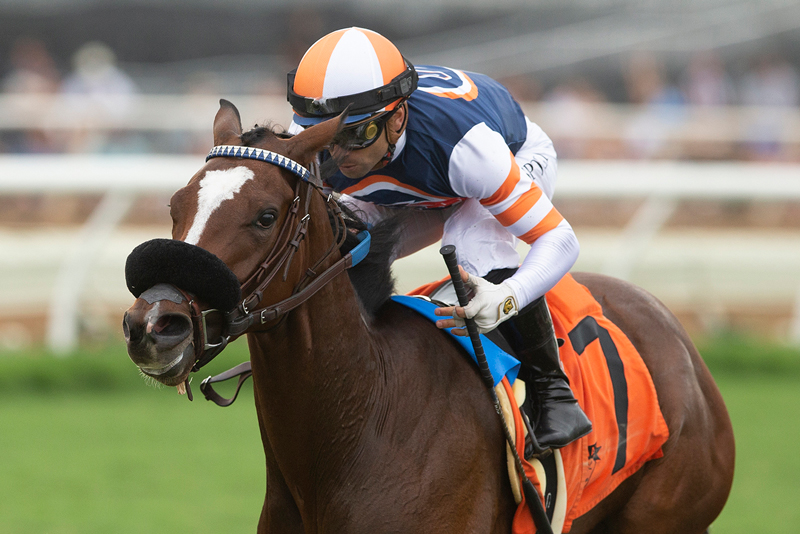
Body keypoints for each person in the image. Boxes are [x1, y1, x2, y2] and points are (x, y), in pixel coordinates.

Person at [286, 27, 590, 449]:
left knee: (473, 246)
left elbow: (560, 238)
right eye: (325, 136)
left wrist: (508, 297)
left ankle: (553, 391)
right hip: (421, 183)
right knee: (339, 249)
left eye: (355, 135)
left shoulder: (469, 150)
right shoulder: (317, 142)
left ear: (396, 118)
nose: (337, 154)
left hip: (511, 154)